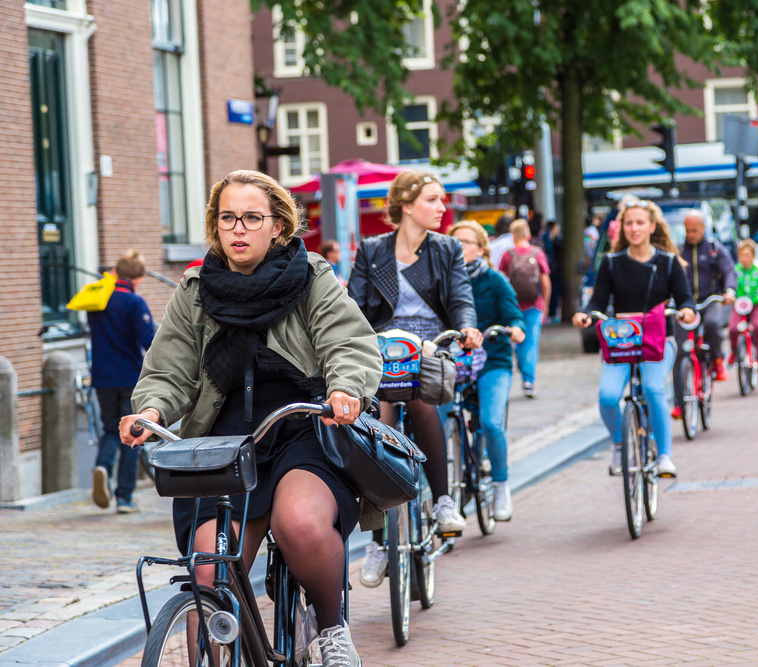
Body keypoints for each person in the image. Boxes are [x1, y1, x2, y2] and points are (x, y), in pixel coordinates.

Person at [122, 169, 381, 665]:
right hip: (224, 444)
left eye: (251, 218)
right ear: (215, 227)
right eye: (227, 219)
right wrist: (150, 409)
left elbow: (348, 342)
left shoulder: (311, 278)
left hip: (304, 427)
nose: (238, 229)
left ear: (278, 226)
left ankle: (331, 630)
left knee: (300, 524)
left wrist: (346, 388)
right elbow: (169, 367)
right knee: (207, 571)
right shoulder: (196, 289)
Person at [347, 170, 482, 588]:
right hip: (383, 344)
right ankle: (379, 540)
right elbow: (353, 307)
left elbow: (460, 297)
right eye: (433, 200)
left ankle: (442, 501)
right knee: (379, 428)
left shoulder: (446, 248)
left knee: (422, 400)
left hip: (430, 343)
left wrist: (467, 327)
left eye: (442, 200)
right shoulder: (372, 250)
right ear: (406, 205)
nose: (442, 208)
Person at [572, 199, 696, 477]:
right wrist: (586, 314)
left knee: (654, 389)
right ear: (622, 228)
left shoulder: (668, 261)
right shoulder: (611, 263)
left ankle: (664, 456)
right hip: (622, 342)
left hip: (658, 340)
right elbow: (599, 301)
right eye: (629, 223)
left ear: (652, 226)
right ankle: (619, 444)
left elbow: (685, 297)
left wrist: (686, 310)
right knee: (607, 397)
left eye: (640, 222)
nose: (634, 228)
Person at [446, 221, 526, 520]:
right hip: (454, 363)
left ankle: (501, 485)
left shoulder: (495, 280)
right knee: (437, 422)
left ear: (481, 248)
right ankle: (443, 492)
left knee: (492, 423)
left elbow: (515, 317)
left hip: (493, 360)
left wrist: (516, 330)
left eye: (466, 242)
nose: (459, 248)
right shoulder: (443, 281)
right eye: (454, 242)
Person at [89, 250, 157, 514]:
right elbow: (148, 342)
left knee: (109, 428)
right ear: (138, 278)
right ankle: (125, 498)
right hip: (130, 378)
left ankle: (103, 467)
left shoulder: (96, 300)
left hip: (102, 378)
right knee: (132, 435)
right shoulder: (134, 302)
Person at [673, 211, 736, 419]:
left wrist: (729, 290)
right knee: (680, 352)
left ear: (703, 228)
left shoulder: (713, 248)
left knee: (712, 324)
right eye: (688, 230)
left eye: (695, 230)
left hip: (711, 299)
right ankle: (679, 404)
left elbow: (729, 271)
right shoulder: (679, 251)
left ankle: (717, 360)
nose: (691, 234)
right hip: (686, 306)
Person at [498, 219, 551, 399]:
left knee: (517, 340)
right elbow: (545, 282)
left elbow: (501, 282)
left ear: (513, 236)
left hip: (513, 307)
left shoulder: (508, 255)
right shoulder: (538, 253)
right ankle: (528, 380)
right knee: (531, 342)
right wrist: (545, 306)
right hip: (534, 305)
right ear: (528, 235)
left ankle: (523, 369)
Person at [727, 240, 758, 372]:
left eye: (747, 255)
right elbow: (727, 283)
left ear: (753, 256)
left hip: (755, 304)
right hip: (739, 306)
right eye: (741, 255)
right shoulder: (734, 271)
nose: (744, 259)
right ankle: (734, 352)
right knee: (733, 328)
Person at [542, 220, 564, 321]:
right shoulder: (551, 238)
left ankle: (551, 313)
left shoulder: (544, 236)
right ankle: (552, 314)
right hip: (553, 270)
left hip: (551, 269)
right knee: (553, 291)